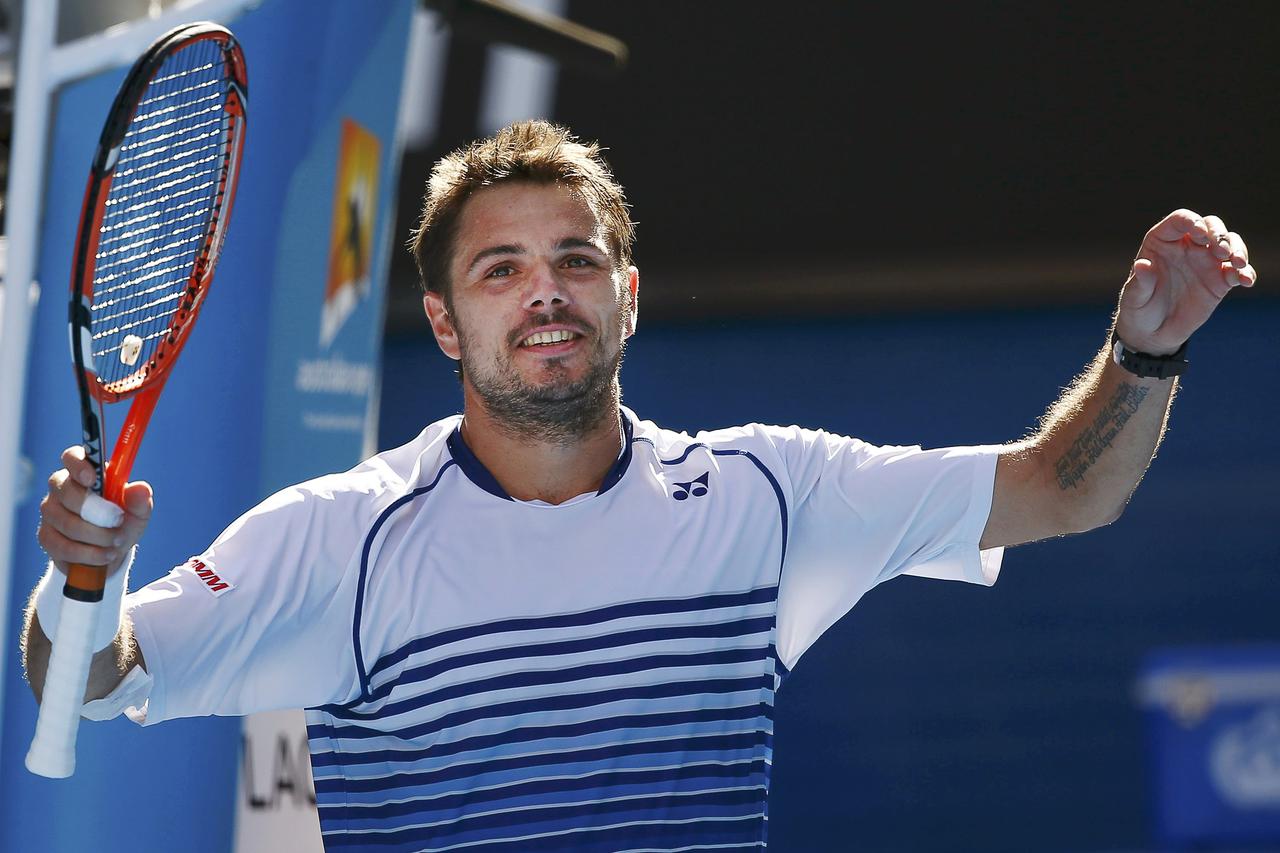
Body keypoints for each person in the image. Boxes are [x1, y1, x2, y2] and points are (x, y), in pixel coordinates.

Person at [23, 120, 1257, 851]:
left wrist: (1142, 354)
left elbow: (1061, 490)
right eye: (498, 271)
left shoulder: (767, 495)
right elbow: (87, 668)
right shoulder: (338, 536)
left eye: (573, 258)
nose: (543, 290)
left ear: (625, 294)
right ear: (446, 327)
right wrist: (88, 575)